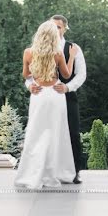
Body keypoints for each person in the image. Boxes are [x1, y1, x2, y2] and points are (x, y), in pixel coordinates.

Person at [14, 20, 78, 189]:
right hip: (55, 95)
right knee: (57, 133)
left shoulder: (28, 53)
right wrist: (71, 56)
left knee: (36, 133)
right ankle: (55, 172)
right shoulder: (58, 54)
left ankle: (33, 172)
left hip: (39, 96)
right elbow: (66, 74)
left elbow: (26, 74)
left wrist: (32, 82)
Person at [26, 14, 87, 184]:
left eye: (58, 27)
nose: (55, 30)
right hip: (44, 96)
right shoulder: (36, 48)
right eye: (52, 26)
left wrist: (67, 87)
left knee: (73, 132)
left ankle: (74, 171)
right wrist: (30, 86)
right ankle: (44, 170)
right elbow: (29, 75)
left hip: (67, 97)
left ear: (65, 28)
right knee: (44, 133)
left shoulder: (73, 48)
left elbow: (81, 74)